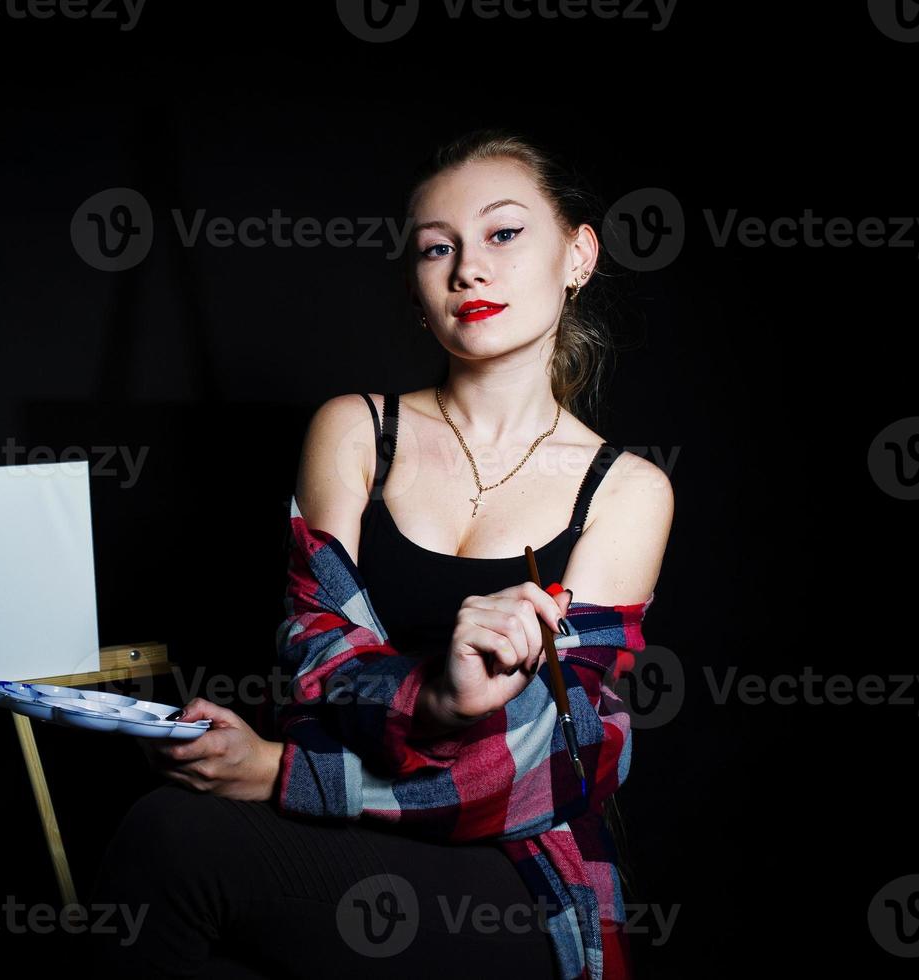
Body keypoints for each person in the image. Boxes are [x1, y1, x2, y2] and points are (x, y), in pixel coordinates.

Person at [84, 127, 674, 979]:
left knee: (174, 841)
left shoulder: (626, 491)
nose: (468, 269)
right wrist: (439, 699)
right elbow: (321, 669)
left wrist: (279, 773)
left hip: (516, 869)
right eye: (438, 248)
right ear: (415, 282)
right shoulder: (356, 430)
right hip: (340, 834)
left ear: (577, 255)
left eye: (504, 234)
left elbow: (548, 767)